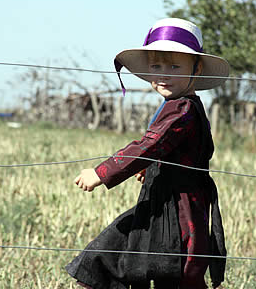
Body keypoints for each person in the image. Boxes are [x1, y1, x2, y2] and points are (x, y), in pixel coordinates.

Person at [66, 18, 229, 289]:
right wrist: (151, 166)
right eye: (156, 66)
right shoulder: (179, 105)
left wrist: (100, 173)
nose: (164, 74)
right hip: (163, 204)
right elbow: (164, 146)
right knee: (114, 259)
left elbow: (150, 144)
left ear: (197, 68)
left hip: (178, 211)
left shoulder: (182, 109)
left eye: (175, 66)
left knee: (171, 274)